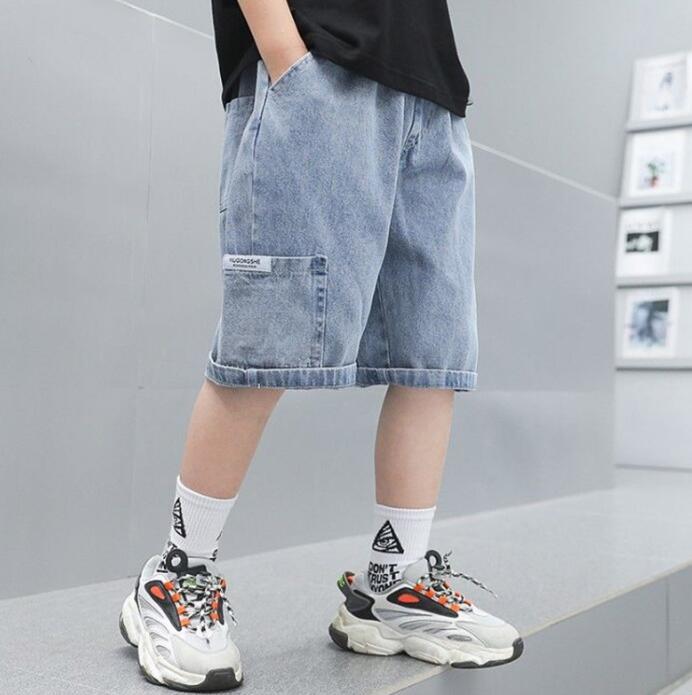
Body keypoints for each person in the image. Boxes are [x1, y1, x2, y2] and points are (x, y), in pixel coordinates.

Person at [118, 0, 523, 689]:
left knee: (433, 358)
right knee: (264, 346)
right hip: (320, 72)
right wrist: (288, 60)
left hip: (432, 98)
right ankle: (178, 572)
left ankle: (391, 584)